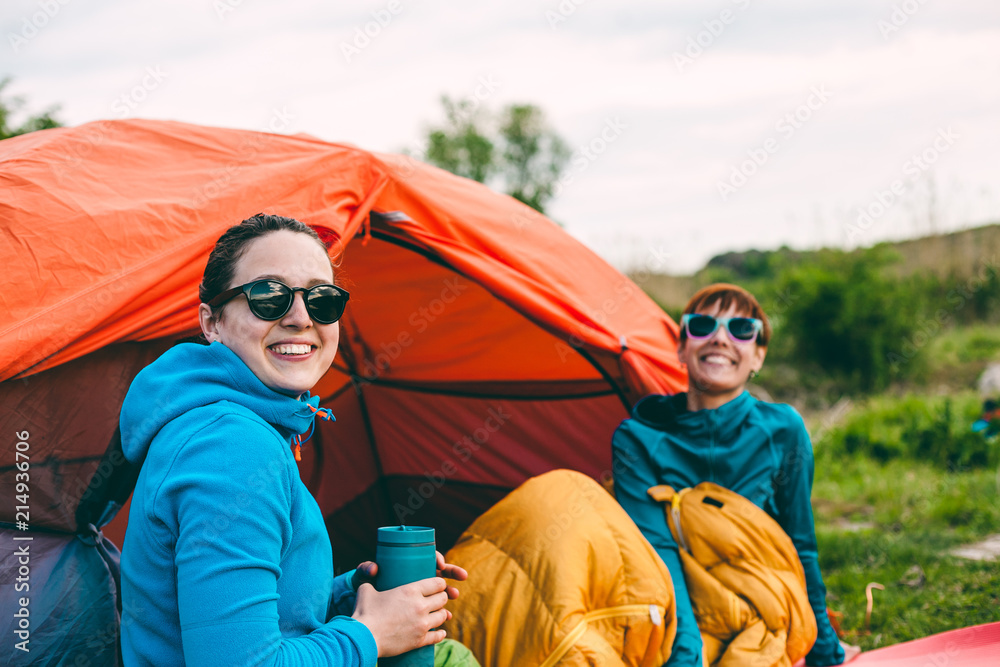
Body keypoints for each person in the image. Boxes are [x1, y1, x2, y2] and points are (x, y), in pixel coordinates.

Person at [119, 213, 467, 666]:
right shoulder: (231, 446)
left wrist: (354, 594)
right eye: (268, 296)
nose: (301, 318)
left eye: (322, 300)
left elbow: (257, 622)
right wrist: (370, 633)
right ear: (212, 323)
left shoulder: (227, 425)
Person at [612, 283, 859, 666]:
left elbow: (799, 544)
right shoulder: (637, 439)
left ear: (758, 357)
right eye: (703, 326)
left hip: (758, 608)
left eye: (742, 329)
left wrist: (824, 649)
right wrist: (685, 658)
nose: (721, 338)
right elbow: (656, 553)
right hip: (669, 617)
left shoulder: (783, 430)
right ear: (681, 348)